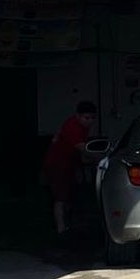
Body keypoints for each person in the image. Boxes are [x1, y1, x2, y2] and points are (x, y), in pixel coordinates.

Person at [42, 99, 97, 238]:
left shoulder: (81, 127)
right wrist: (100, 157)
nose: (89, 121)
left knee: (68, 194)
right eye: (86, 117)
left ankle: (67, 224)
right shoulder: (72, 126)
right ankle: (61, 228)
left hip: (68, 164)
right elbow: (81, 147)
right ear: (78, 116)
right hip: (57, 165)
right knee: (61, 196)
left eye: (92, 118)